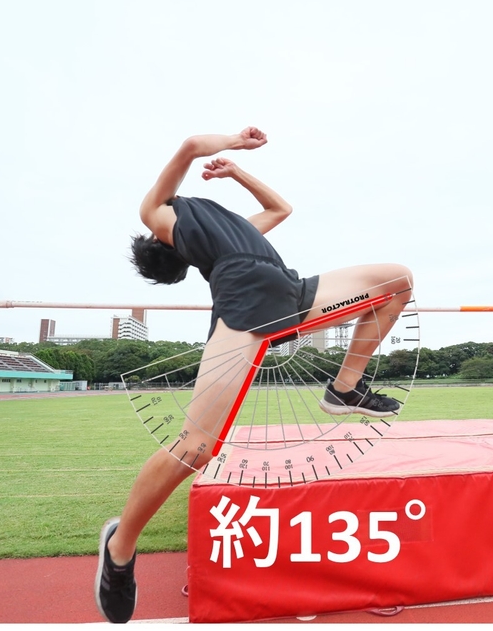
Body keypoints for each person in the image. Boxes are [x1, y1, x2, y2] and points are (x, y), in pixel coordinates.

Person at [95, 126, 413, 623]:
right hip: (243, 308)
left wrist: (238, 171)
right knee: (196, 448)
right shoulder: (159, 215)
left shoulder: (234, 228)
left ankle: (344, 388)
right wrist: (235, 144)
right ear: (165, 238)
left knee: (397, 280)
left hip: (293, 294)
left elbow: (280, 209)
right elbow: (189, 147)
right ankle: (120, 547)